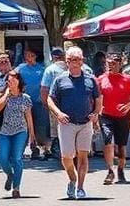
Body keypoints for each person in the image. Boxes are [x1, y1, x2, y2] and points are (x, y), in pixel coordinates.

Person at [47, 46, 101, 200]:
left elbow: (98, 98)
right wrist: (58, 113)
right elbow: (50, 99)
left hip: (85, 122)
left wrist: (96, 113)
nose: (74, 63)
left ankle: (80, 187)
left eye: (77, 60)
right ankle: (72, 178)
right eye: (70, 60)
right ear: (67, 62)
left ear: (82, 61)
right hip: (67, 123)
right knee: (66, 156)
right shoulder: (60, 79)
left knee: (83, 156)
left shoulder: (90, 79)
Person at [98, 52, 130, 185]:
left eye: (114, 64)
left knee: (122, 145)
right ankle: (110, 170)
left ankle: (121, 169)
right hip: (106, 115)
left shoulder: (127, 80)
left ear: (120, 65)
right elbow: (95, 96)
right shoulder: (101, 79)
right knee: (108, 140)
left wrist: (128, 106)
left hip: (123, 116)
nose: (110, 66)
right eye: (108, 64)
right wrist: (97, 109)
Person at [0, 68, 36, 198]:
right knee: (2, 158)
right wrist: (6, 95)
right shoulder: (1, 94)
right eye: (8, 80)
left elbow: (28, 117)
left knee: (17, 158)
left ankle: (16, 187)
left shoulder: (25, 98)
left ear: (19, 81)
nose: (10, 82)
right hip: (4, 131)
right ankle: (10, 175)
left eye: (13, 80)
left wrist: (32, 135)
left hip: (20, 131)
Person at [16, 49, 48, 160]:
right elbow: (12, 78)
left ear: (35, 56)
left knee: (40, 127)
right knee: (23, 126)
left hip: (38, 102)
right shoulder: (20, 68)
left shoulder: (42, 69)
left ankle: (39, 149)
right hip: (23, 102)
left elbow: (46, 85)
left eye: (32, 55)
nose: (29, 58)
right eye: (27, 55)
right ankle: (20, 150)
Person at [40, 47, 67, 161]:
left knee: (55, 128)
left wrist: (45, 102)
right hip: (70, 103)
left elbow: (44, 88)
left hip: (55, 103)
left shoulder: (50, 70)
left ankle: (57, 150)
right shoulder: (72, 67)